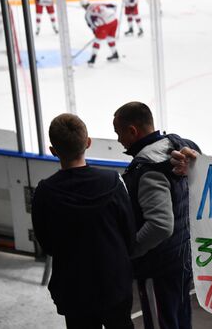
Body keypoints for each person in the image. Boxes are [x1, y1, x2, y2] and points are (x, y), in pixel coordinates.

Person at [31, 113, 135, 329]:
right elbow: (129, 234)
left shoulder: (45, 192)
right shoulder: (113, 181)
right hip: (114, 282)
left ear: (53, 151)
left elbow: (47, 244)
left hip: (73, 287)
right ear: (88, 143)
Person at [113, 101, 201, 329]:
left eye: (119, 133)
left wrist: (132, 250)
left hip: (158, 267)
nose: (118, 140)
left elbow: (160, 225)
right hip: (183, 256)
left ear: (132, 131)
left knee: (163, 322)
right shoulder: (183, 146)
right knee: (181, 319)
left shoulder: (148, 168)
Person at [80, 0, 119, 66]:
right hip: (114, 20)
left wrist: (96, 32)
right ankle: (115, 54)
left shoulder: (87, 14)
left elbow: (92, 25)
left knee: (97, 41)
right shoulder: (96, 3)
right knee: (110, 39)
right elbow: (112, 5)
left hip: (106, 24)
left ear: (83, 6)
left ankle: (92, 59)